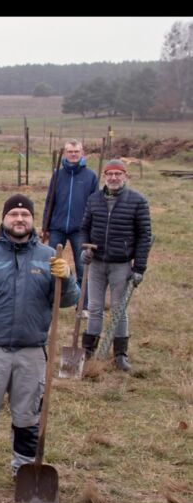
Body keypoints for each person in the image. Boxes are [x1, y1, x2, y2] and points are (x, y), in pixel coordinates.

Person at [0, 194, 80, 483]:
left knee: (27, 417)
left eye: (25, 215)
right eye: (14, 215)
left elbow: (67, 301)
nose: (20, 220)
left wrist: (68, 276)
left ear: (33, 221)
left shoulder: (49, 256)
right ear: (4, 219)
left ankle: (24, 470)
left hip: (32, 351)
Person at [80, 159, 152, 372]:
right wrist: (85, 249)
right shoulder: (94, 199)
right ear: (104, 176)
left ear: (125, 176)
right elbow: (84, 228)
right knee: (94, 308)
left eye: (117, 174)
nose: (113, 178)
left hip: (121, 265)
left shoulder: (138, 201)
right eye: (109, 174)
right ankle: (88, 351)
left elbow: (144, 236)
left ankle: (120, 355)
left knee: (120, 310)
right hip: (97, 263)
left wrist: (139, 268)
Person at [41, 139, 97, 295]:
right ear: (65, 153)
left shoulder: (90, 176)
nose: (73, 154)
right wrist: (45, 226)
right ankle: (49, 298)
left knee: (82, 267)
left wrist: (92, 229)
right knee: (51, 264)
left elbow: (95, 206)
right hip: (57, 228)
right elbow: (49, 202)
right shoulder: (57, 175)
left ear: (82, 153)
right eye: (70, 152)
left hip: (80, 230)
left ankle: (82, 305)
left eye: (76, 151)